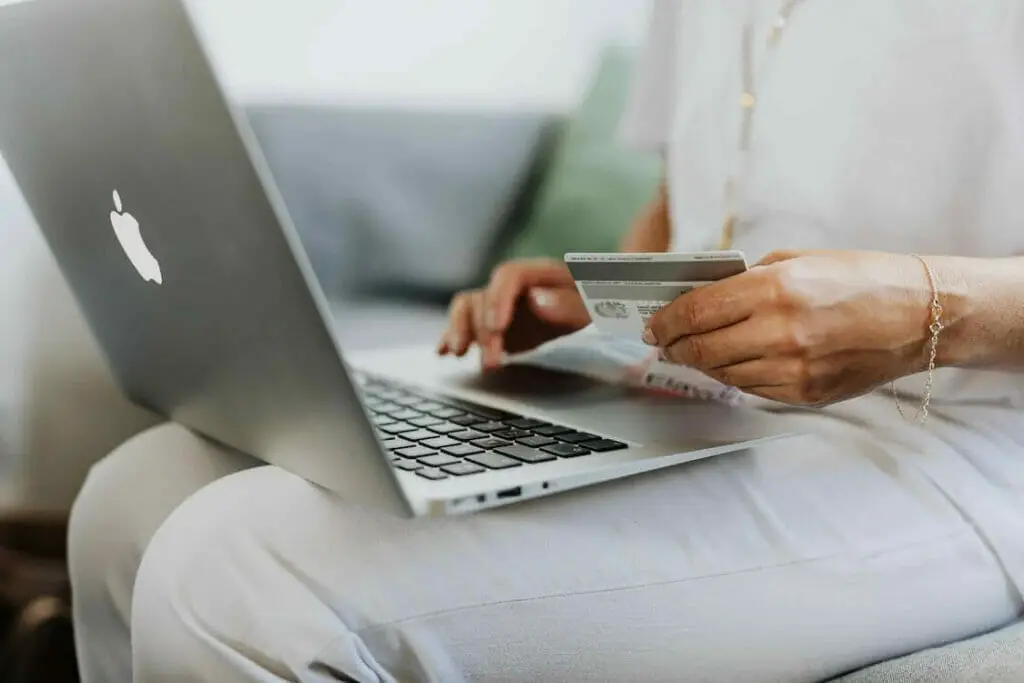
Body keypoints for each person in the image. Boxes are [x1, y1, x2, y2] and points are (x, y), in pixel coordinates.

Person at [69, 1, 1024, 681]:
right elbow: (686, 194)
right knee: (132, 495)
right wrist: (613, 291)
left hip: (943, 444)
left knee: (234, 577)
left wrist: (923, 307)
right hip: (699, 396)